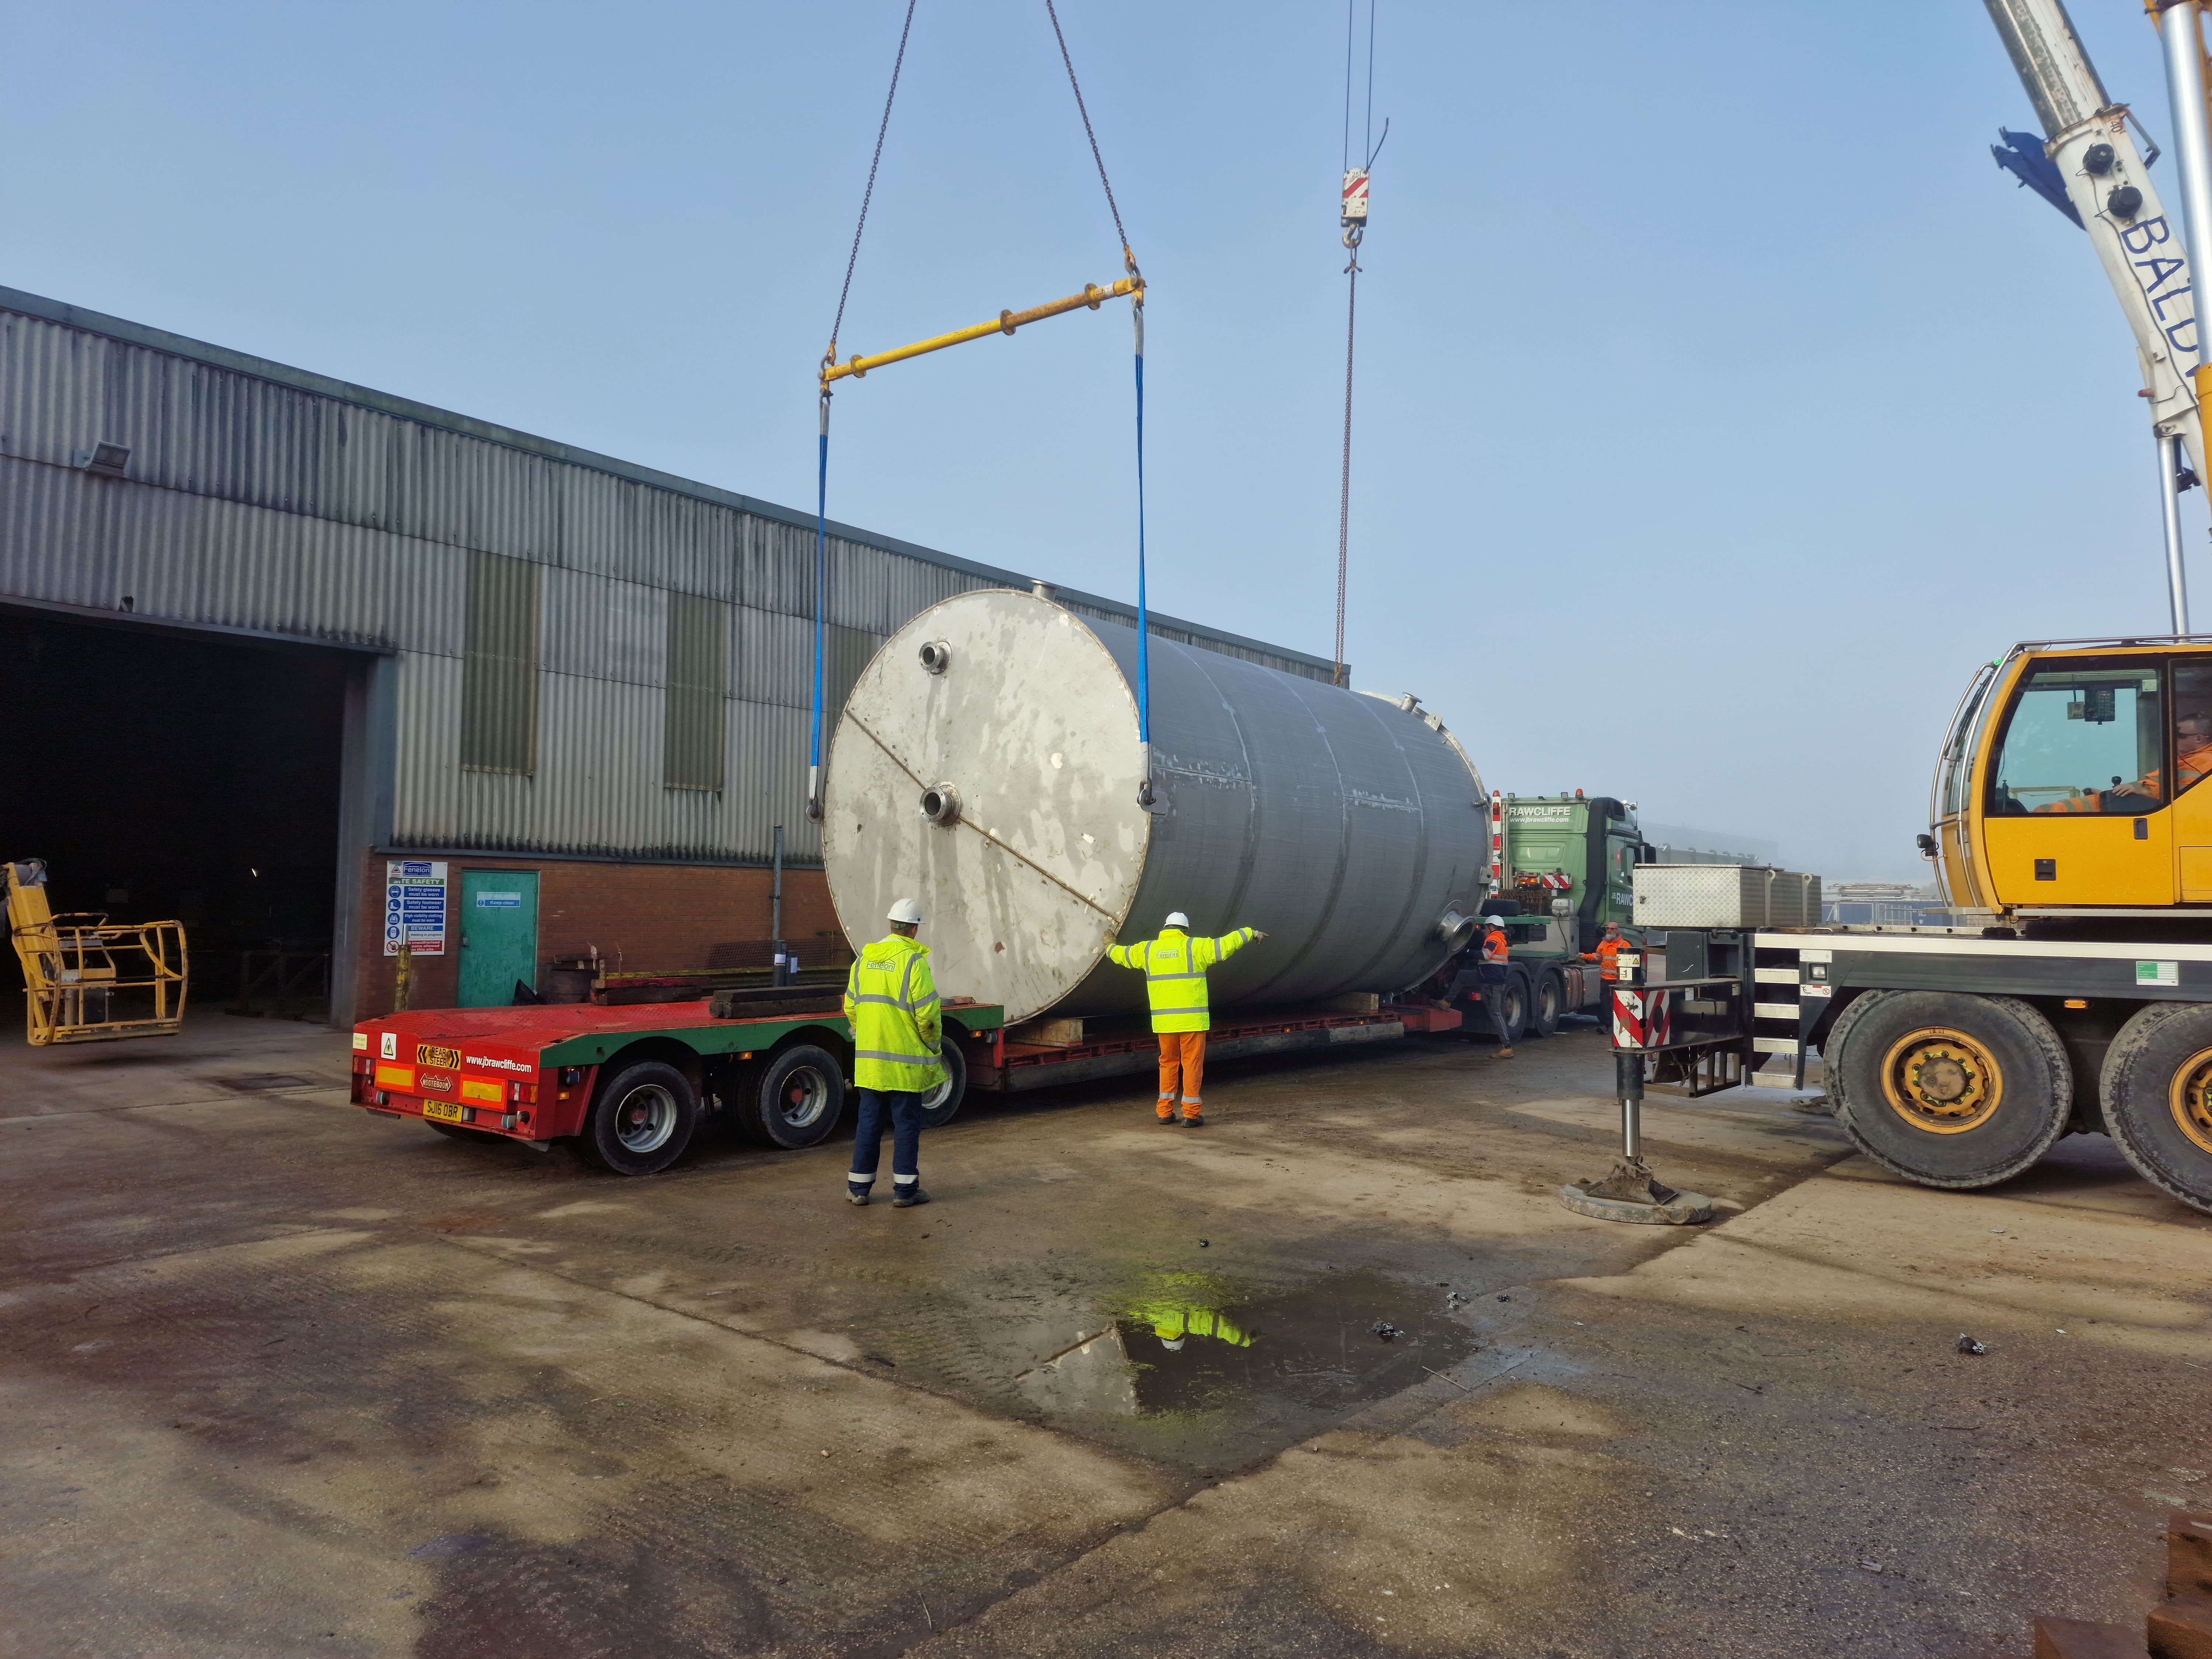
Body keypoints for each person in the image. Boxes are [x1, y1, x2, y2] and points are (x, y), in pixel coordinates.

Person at [1106, 911, 1265, 1125]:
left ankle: (1164, 1113)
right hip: (1192, 1022)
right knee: (1191, 1065)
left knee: (1168, 1064)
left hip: (1165, 1023)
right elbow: (1225, 945)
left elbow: (1122, 955)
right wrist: (1250, 932)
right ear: (1185, 931)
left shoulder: (1147, 950)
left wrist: (1109, 946)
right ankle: (1191, 1115)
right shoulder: (1195, 947)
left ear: (1165, 928)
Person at [843, 896, 941, 1208]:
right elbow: (927, 1016)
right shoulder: (913, 963)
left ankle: (859, 1190)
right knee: (906, 1126)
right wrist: (932, 1046)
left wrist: (866, 1035)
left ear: (891, 924)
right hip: (905, 1066)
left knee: (868, 1124)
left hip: (870, 1065)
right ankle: (905, 1193)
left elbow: (850, 1006)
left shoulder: (863, 961)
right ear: (914, 930)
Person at [2036, 707, 2212, 813]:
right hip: (2124, 803)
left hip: (2141, 810)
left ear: (2199, 739)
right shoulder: (2185, 759)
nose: (2173, 739)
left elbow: (2187, 797)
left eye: (2179, 735)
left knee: (2047, 812)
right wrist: (2106, 794)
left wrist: (2143, 793)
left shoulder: (2205, 762)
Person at [1478, 914, 1515, 1060]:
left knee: (1496, 1014)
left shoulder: (1493, 938)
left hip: (1493, 983)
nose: (1484, 930)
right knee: (1463, 976)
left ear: (1491, 927)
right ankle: (1447, 1001)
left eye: (1485, 927)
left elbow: (1486, 955)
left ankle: (1507, 1047)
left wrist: (1466, 953)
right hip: (1490, 980)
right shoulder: (1502, 941)